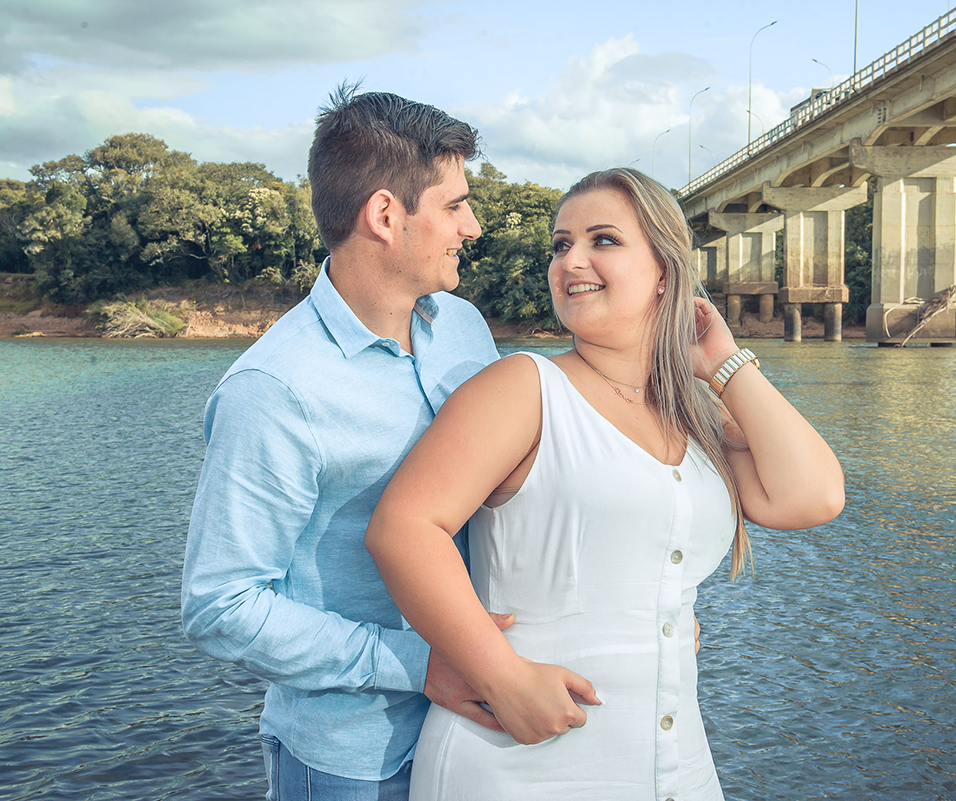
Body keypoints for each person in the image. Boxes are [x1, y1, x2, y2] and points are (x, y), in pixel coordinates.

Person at [365, 167, 845, 799]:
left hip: (675, 765)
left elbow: (812, 497)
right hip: (520, 757)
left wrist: (724, 365)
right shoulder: (523, 387)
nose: (573, 261)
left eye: (603, 241)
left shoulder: (697, 412)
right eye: (561, 245)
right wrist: (502, 677)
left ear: (666, 272)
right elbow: (404, 528)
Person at [180, 86, 598, 800]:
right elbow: (221, 604)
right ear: (384, 215)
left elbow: (512, 500)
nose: (474, 224)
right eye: (454, 204)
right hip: (354, 758)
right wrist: (416, 661)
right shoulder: (273, 391)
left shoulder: (465, 327)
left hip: (483, 731)